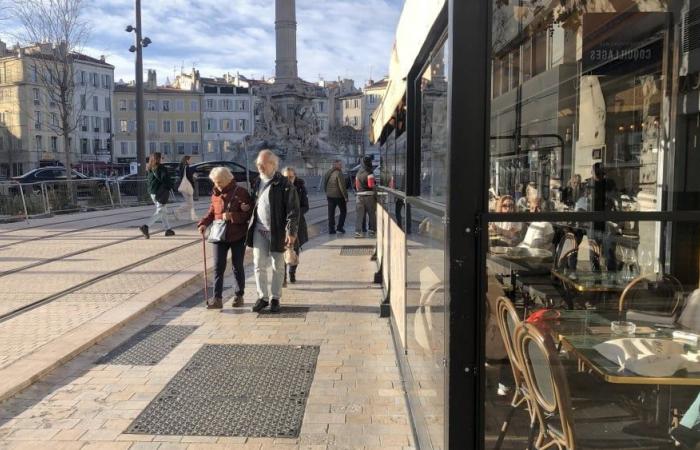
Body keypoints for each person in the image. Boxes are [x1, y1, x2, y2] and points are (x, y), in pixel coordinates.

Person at [246, 150, 300, 313]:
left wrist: (290, 232)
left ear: (273, 165)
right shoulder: (257, 182)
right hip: (259, 230)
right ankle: (262, 297)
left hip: (277, 231)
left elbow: (293, 210)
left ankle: (275, 297)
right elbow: (255, 202)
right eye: (258, 164)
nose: (259, 167)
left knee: (278, 265)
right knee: (258, 264)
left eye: (262, 164)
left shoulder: (284, 184)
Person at [197, 167, 252, 309]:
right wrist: (203, 224)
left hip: (237, 235)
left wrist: (233, 216)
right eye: (215, 182)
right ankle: (217, 299)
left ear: (228, 179)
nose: (217, 184)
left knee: (237, 266)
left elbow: (249, 215)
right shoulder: (215, 194)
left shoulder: (241, 192)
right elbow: (212, 212)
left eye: (220, 182)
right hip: (219, 235)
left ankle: (239, 295)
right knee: (218, 267)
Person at [282, 166, 308, 285]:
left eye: (291, 177)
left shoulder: (300, 188)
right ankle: (282, 278)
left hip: (297, 223)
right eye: (286, 177)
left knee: (295, 248)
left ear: (295, 176)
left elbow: (305, 206)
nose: (288, 179)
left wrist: (296, 213)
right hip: (282, 224)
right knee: (281, 250)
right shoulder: (278, 189)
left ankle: (292, 273)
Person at [139, 152, 175, 239]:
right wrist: (171, 185)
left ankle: (168, 229)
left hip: (153, 193)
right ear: (158, 159)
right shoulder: (161, 168)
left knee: (163, 211)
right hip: (160, 193)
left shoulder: (150, 167)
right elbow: (165, 179)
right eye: (162, 158)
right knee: (160, 211)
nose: (163, 159)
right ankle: (146, 226)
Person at [322, 159, 348, 234]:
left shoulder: (328, 172)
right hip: (339, 196)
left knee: (331, 213)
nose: (341, 166)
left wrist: (327, 192)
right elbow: (342, 186)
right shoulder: (339, 173)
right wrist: (346, 197)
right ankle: (340, 227)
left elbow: (325, 183)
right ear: (336, 165)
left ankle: (331, 229)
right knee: (343, 211)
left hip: (330, 196)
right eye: (340, 164)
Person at [354, 156, 377, 238]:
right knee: (371, 214)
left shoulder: (358, 173)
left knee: (359, 215)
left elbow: (356, 186)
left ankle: (358, 231)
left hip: (359, 196)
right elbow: (371, 185)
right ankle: (372, 230)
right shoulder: (369, 172)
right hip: (369, 196)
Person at [175, 155, 197, 221]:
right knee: (190, 204)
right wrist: (194, 178)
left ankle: (191, 217)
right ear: (187, 160)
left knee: (190, 203)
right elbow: (189, 178)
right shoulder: (186, 167)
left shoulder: (181, 167)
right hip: (187, 187)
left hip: (183, 186)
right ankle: (177, 211)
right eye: (190, 160)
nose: (191, 161)